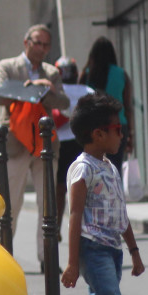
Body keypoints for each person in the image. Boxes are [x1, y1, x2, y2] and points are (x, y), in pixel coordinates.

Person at [61, 92, 145, 295]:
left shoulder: (108, 167)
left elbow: (121, 215)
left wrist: (134, 252)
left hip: (111, 248)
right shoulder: (83, 168)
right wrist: (72, 262)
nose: (122, 135)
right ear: (98, 134)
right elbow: (75, 215)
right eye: (118, 129)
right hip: (92, 246)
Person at [0, 24, 70, 265]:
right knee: (10, 204)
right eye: (38, 43)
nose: (42, 48)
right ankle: (4, 256)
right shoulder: (7, 66)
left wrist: (41, 92)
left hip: (45, 144)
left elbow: (63, 101)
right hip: (15, 142)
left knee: (47, 203)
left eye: (46, 44)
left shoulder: (52, 72)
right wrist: (37, 87)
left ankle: (46, 256)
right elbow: (0, 94)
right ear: (26, 42)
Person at [80, 36, 133, 169]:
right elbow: (128, 107)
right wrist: (130, 134)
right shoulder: (121, 74)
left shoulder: (87, 74)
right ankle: (114, 190)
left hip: (93, 127)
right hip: (117, 126)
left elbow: (80, 103)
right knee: (114, 168)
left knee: (92, 167)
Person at [53, 57, 92, 224]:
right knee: (82, 187)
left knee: (59, 188)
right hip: (82, 144)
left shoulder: (55, 92)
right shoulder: (88, 91)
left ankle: (56, 225)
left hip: (60, 143)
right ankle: (82, 227)